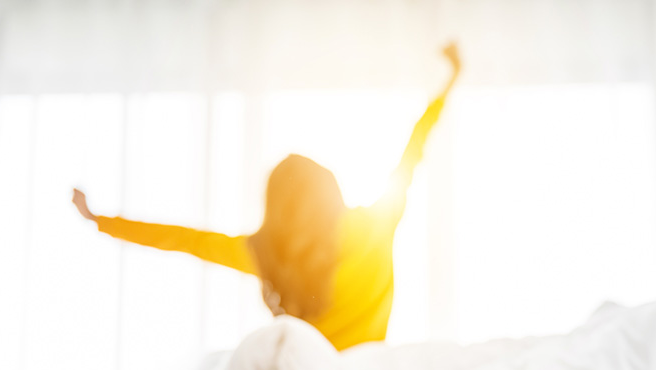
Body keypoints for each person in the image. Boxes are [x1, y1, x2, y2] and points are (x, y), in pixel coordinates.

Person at [72, 43, 461, 351]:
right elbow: (413, 148)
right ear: (331, 190)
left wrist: (101, 221)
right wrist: (449, 81)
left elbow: (182, 239)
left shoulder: (266, 251)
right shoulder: (373, 225)